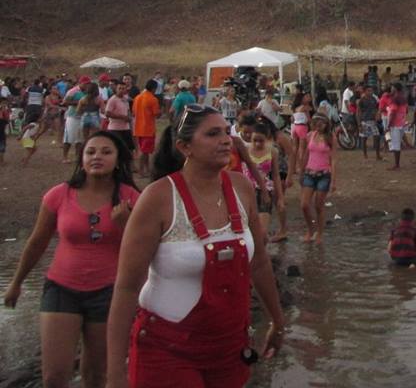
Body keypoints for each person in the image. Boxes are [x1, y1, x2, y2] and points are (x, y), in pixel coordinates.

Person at [105, 105, 284, 388]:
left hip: (229, 348)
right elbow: (126, 287)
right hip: (167, 350)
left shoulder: (241, 188)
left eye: (226, 132)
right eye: (213, 134)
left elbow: (259, 264)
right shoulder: (158, 198)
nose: (226, 140)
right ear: (184, 146)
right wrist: (114, 375)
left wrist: (277, 319)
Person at [4, 132, 138, 388]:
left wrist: (126, 225)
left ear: (119, 159)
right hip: (61, 288)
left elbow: (145, 252)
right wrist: (16, 282)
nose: (97, 157)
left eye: (106, 152)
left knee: (96, 375)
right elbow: (37, 242)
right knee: (54, 377)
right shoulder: (59, 195)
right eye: (91, 152)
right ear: (82, 158)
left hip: (109, 292)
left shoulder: (131, 198)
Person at [300, 114, 336, 244]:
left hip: (324, 174)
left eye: (322, 123)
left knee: (318, 206)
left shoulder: (330, 138)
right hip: (309, 172)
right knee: (304, 204)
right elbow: (306, 154)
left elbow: (334, 159)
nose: (319, 126)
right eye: (317, 123)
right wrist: (301, 171)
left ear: (326, 124)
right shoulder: (310, 135)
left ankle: (320, 233)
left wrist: (333, 180)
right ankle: (311, 229)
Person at [243, 123, 283, 235]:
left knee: (262, 231)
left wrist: (280, 197)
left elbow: (276, 175)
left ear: (267, 139)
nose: (257, 144)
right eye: (255, 140)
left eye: (261, 141)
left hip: (265, 191)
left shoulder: (273, 152)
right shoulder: (245, 150)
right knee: (248, 230)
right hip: (247, 191)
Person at [132, 79, 162, 178]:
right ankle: (141, 171)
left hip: (138, 128)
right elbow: (156, 114)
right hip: (148, 129)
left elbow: (133, 112)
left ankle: (147, 169)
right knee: (145, 152)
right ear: (154, 88)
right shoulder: (153, 99)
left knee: (145, 150)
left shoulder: (137, 98)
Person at [356, 85, 382, 161]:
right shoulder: (362, 100)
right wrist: (359, 124)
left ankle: (378, 155)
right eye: (368, 90)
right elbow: (358, 112)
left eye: (371, 90)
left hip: (373, 121)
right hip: (365, 121)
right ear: (365, 91)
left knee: (377, 137)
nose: (370, 92)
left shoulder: (374, 99)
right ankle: (365, 155)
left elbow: (376, 109)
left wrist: (377, 115)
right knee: (364, 139)